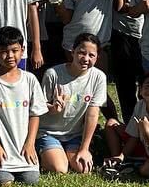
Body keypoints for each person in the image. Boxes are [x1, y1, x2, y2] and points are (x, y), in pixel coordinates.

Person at [0, 26, 48, 186]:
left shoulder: (30, 79)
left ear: (22, 50)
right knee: (4, 181)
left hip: (23, 148)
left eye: (14, 50)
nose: (9, 55)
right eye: (4, 51)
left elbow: (35, 114)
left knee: (31, 180)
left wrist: (30, 144)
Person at [37, 34, 108, 174]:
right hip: (49, 132)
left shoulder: (99, 77)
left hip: (75, 135)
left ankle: (70, 152)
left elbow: (93, 114)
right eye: (81, 53)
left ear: (97, 57)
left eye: (91, 55)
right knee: (60, 169)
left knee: (83, 169)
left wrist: (84, 148)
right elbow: (40, 108)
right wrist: (53, 108)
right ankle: (43, 151)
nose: (86, 59)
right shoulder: (53, 74)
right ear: (72, 52)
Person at [102, 71, 149, 180]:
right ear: (140, 90)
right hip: (139, 144)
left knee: (147, 170)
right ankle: (117, 161)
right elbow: (134, 135)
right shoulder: (140, 104)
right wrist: (121, 156)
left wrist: (146, 132)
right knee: (111, 123)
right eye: (148, 86)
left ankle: (134, 165)